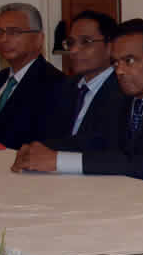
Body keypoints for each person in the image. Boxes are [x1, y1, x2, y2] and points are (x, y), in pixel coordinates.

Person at [12, 19, 143, 194]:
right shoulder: (124, 95)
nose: (119, 71)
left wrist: (58, 161)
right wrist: (44, 149)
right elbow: (96, 139)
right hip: (131, 196)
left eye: (129, 61)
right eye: (116, 63)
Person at [0, 2, 65, 149]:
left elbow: (41, 143)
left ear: (38, 39)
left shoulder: (55, 84)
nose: (3, 39)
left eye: (14, 32)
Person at [43, 10, 126, 153]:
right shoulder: (65, 87)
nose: (74, 50)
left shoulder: (123, 90)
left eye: (85, 42)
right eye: (71, 43)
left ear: (110, 46)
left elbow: (102, 146)